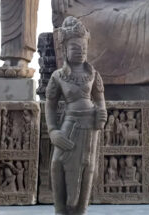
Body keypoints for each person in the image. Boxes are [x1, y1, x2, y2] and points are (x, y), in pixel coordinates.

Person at [45, 16, 107, 215]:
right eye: (75, 49)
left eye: (84, 49)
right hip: (69, 123)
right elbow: (50, 104)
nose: (81, 53)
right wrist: (53, 130)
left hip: (90, 125)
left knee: (87, 166)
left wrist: (102, 112)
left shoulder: (93, 74)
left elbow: (99, 98)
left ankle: (81, 209)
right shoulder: (58, 76)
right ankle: (60, 209)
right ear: (64, 50)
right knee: (57, 163)